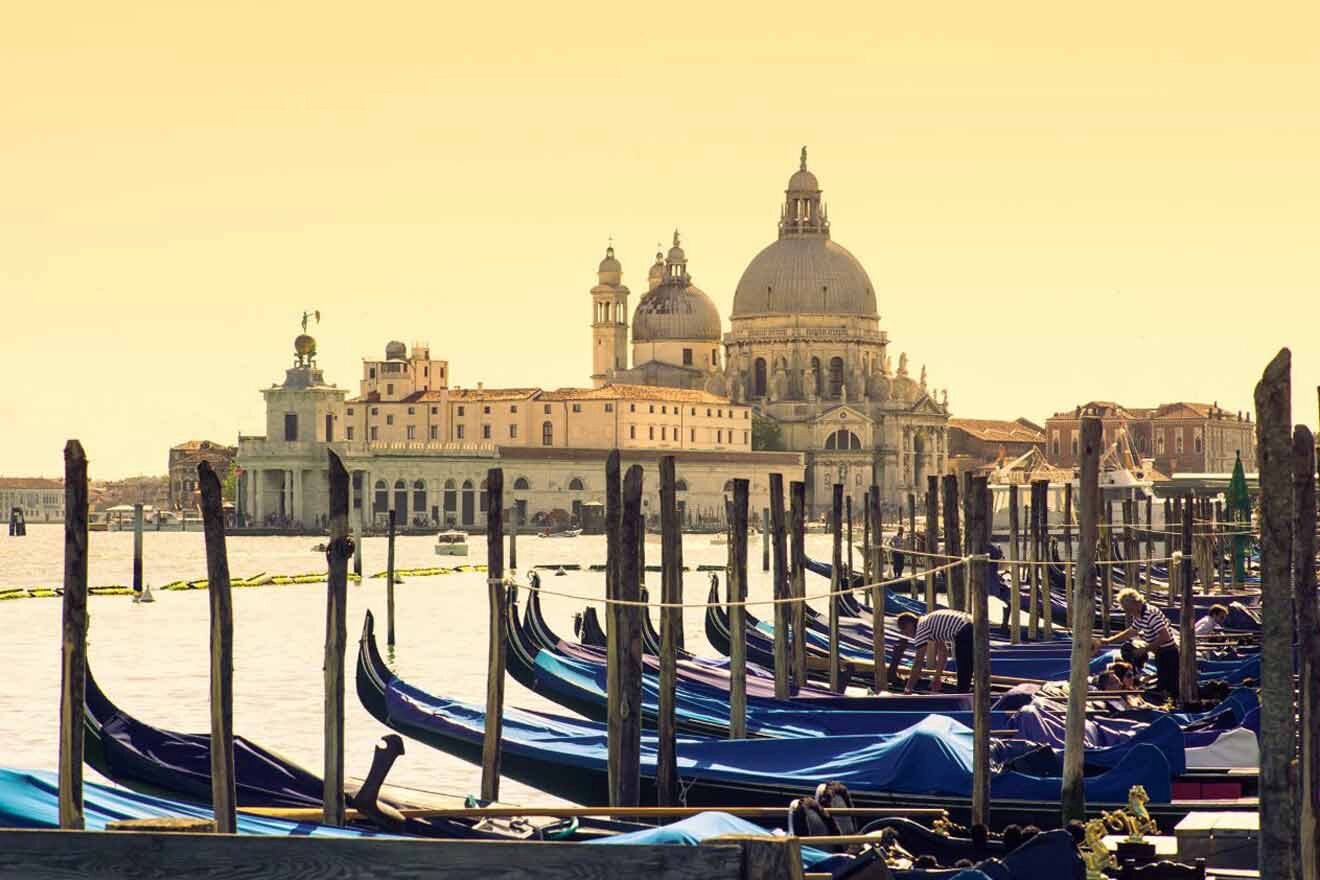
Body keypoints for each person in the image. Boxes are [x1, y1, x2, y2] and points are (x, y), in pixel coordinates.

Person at [1096, 587, 1180, 699]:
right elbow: (1131, 631)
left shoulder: (1150, 614)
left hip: (1168, 653)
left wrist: (1145, 649)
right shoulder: (1140, 615)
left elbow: (1165, 637)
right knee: (1163, 685)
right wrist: (1109, 640)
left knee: (1169, 686)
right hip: (1160, 653)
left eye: (1128, 609)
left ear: (1135, 604)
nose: (1127, 612)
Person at [897, 608, 974, 693]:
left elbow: (918, 662)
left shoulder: (921, 628)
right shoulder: (929, 623)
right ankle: (971, 690)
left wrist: (908, 688)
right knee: (970, 663)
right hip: (972, 624)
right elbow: (943, 652)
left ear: (909, 625)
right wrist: (937, 677)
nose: (906, 635)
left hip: (965, 629)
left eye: (904, 631)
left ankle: (963, 694)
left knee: (964, 665)